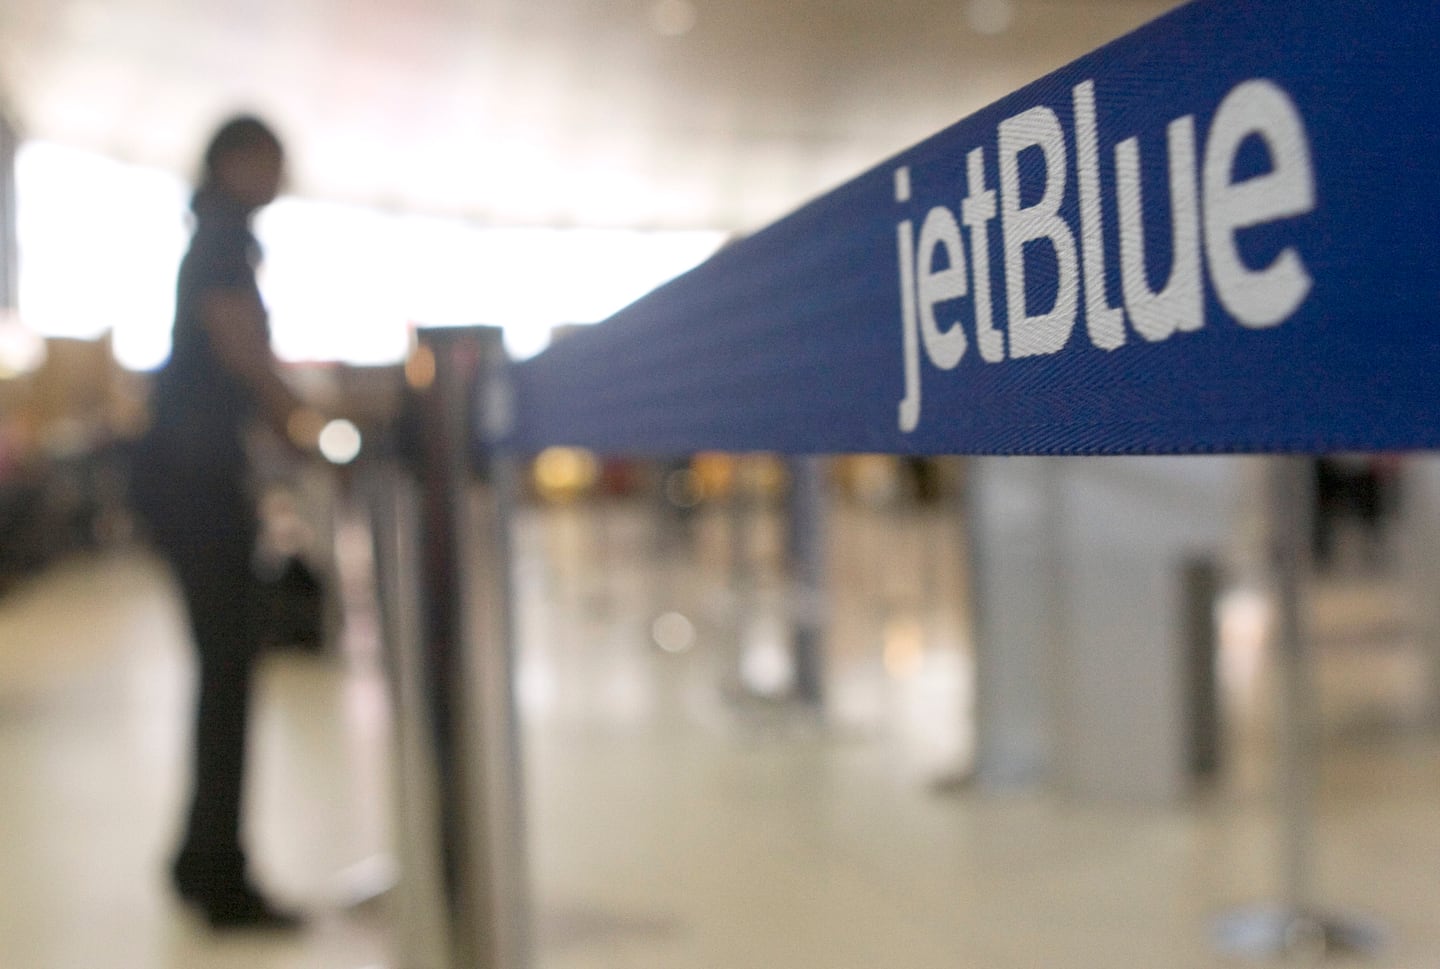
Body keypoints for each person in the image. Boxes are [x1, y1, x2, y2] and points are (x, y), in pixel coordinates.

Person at [131, 115, 327, 931]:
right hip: (196, 484)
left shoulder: (217, 234)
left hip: (192, 480)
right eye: (271, 162)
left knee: (225, 671)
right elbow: (243, 349)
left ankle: (198, 858)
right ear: (234, 161)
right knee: (228, 674)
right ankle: (220, 877)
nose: (280, 178)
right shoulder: (221, 238)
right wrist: (312, 427)